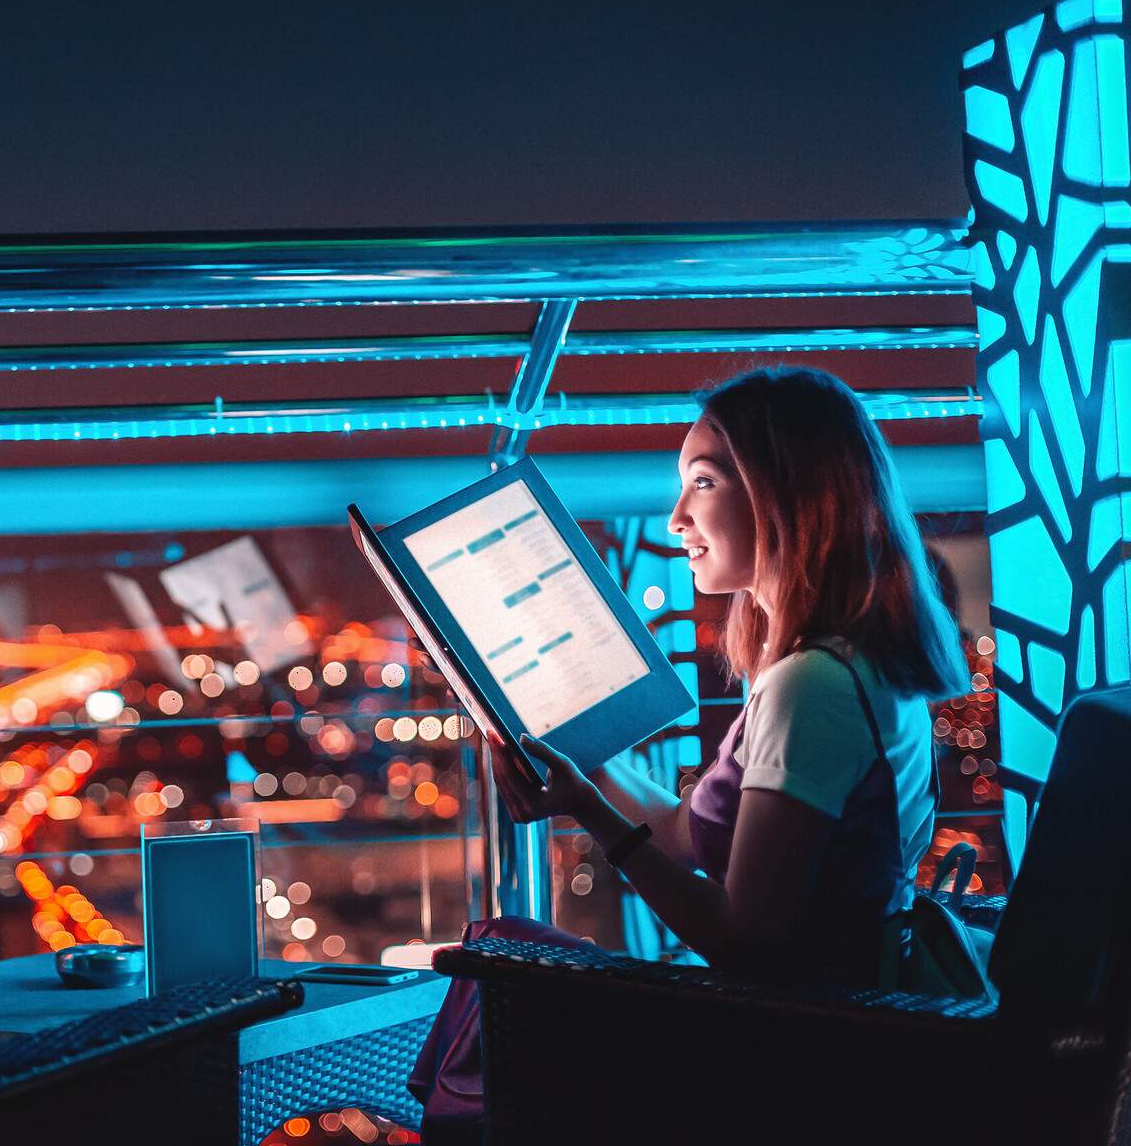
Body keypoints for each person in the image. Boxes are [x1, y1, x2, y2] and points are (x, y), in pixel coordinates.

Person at [410, 366, 969, 1139]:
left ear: (785, 494)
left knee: (498, 962)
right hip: (847, 1023)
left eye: (702, 483)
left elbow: (747, 945)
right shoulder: (843, 663)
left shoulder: (813, 686)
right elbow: (686, 835)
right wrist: (579, 753)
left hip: (804, 1054)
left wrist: (590, 815)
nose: (675, 517)